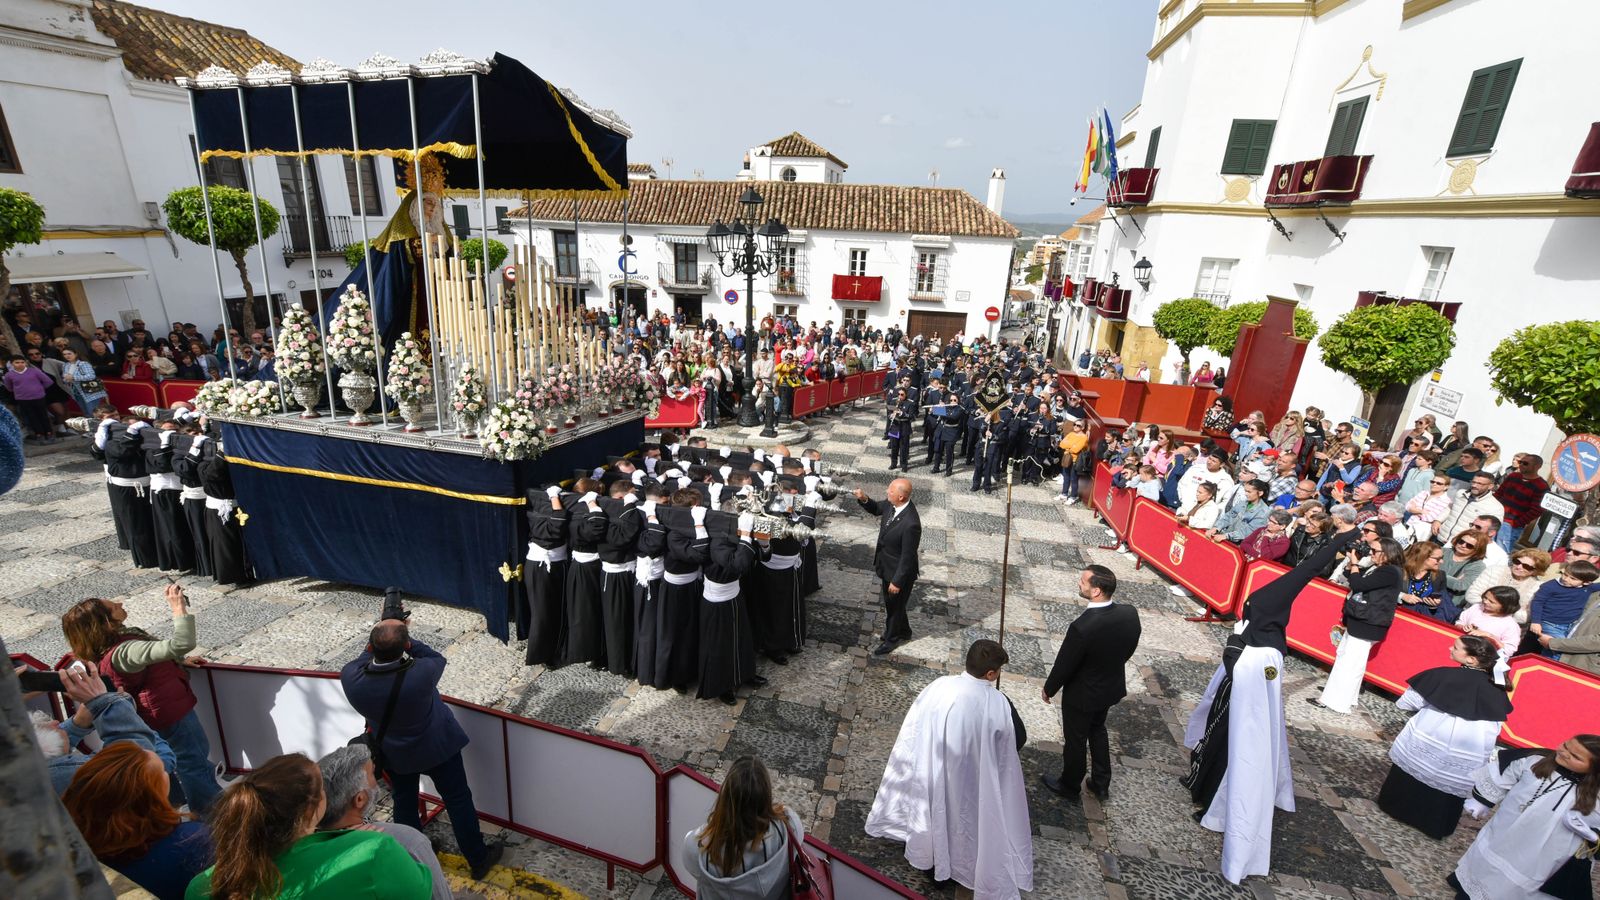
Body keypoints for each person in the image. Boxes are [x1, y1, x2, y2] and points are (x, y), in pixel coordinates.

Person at [1183, 537, 1355, 885]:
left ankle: (1218, 808)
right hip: (1228, 709)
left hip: (1244, 723)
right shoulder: (1256, 638)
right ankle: (1201, 788)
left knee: (1231, 761)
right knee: (1214, 748)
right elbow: (1303, 571)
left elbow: (1262, 687)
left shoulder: (1268, 657)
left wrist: (1234, 653)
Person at [339, 598, 502, 880]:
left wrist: (383, 631)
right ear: (405, 645)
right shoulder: (421, 674)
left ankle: (414, 858)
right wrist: (405, 635)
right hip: (437, 747)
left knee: (405, 803)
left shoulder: (352, 679)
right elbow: (437, 657)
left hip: (395, 754)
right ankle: (477, 858)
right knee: (458, 800)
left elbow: (364, 656)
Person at [865, 640, 1032, 899]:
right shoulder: (999, 703)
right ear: (991, 674)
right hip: (971, 779)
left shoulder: (938, 686)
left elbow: (916, 724)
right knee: (963, 822)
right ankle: (958, 866)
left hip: (934, 768)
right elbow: (1017, 740)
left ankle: (932, 864)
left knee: (935, 812)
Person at [60, 584, 221, 813]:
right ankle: (213, 816)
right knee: (193, 762)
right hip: (169, 714)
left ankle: (172, 809)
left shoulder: (101, 648)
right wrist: (178, 607)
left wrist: (174, 660)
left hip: (148, 716)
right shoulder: (127, 650)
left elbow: (142, 664)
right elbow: (180, 644)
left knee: (164, 764)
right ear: (105, 623)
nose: (120, 603)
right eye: (113, 607)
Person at [185, 752, 432, 899]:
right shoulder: (376, 852)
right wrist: (359, 843)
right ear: (310, 810)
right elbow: (421, 891)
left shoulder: (202, 886)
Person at [1377, 636, 1512, 838]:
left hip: (1430, 735)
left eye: (1456, 647)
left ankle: (1395, 807)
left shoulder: (1441, 675)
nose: (1450, 648)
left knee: (1411, 774)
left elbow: (1406, 703)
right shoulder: (1497, 689)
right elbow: (1495, 726)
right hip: (1468, 748)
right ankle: (1434, 825)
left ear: (1471, 660)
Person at [1450, 735, 1600, 899]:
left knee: (1523, 882)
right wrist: (1483, 800)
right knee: (1490, 862)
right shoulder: (1536, 760)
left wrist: (1593, 836)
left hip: (1549, 852)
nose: (1564, 753)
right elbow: (1505, 772)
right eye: (1566, 745)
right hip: (1509, 829)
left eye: (1576, 757)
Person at [1041, 566, 1142, 804]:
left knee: (1076, 740)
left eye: (1083, 582)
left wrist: (1049, 688)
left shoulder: (1082, 627)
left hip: (1082, 695)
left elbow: (1065, 664)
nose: (1079, 583)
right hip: (1109, 689)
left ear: (1096, 591)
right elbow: (1128, 649)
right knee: (1098, 730)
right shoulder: (1129, 613)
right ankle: (1100, 783)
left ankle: (1069, 784)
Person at [62, 741, 212, 900]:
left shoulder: (74, 848)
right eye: (162, 770)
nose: (167, 773)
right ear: (149, 796)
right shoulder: (193, 840)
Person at [316, 745, 451, 900]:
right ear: (360, 799)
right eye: (373, 774)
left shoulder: (301, 849)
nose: (378, 779)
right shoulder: (408, 841)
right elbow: (440, 896)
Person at [683, 756, 804, 900]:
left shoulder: (697, 850)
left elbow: (692, 865)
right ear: (766, 795)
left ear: (725, 796)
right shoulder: (791, 825)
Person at [1312, 538, 1405, 714]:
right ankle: (1347, 698)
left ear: (1388, 553)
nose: (1371, 554)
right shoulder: (1383, 569)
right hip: (1364, 621)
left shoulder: (1390, 571)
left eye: (1375, 551)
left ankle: (1335, 702)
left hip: (1368, 623)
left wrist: (1355, 564)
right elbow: (1354, 580)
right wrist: (1351, 566)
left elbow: (1358, 584)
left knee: (1348, 664)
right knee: (1350, 661)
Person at [855, 478, 921, 656]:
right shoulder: (893, 505)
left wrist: (897, 581)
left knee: (894, 607)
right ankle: (905, 631)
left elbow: (908, 557)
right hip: (886, 566)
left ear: (900, 496)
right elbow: (877, 508)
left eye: (890, 491)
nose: (886, 492)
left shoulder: (911, 523)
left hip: (899, 573)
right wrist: (864, 498)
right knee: (895, 604)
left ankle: (891, 639)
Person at [1529, 560, 1600, 660]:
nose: (1566, 579)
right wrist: (1535, 621)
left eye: (1573, 578)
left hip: (1570, 625)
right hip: (1550, 623)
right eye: (1565, 574)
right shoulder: (1551, 586)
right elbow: (1538, 602)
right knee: (1558, 650)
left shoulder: (1588, 588)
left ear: (1587, 582)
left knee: (1554, 649)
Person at [1466, 547, 1551, 626]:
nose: (1519, 567)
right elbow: (1471, 595)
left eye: (1526, 566)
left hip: (1505, 628)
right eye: (1517, 562)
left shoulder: (1538, 587)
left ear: (1537, 571)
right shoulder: (1494, 570)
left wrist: (1494, 608)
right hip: (1476, 616)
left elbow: (1525, 617)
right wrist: (1507, 611)